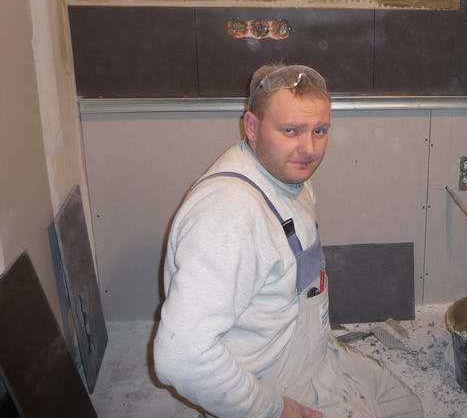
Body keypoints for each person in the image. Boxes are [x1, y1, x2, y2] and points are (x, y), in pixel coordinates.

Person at [154, 64, 424, 418]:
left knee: (404, 406)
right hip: (266, 380)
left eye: (319, 131)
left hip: (306, 349)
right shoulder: (227, 215)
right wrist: (274, 409)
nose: (308, 149)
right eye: (291, 131)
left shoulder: (287, 174)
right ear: (252, 127)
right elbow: (181, 357)